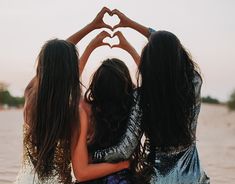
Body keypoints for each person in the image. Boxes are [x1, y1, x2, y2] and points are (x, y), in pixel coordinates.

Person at [92, 9, 210, 184]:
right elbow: (167, 47)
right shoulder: (194, 83)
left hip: (158, 179)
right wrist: (131, 24)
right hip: (193, 177)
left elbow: (125, 149)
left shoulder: (143, 96)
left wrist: (94, 154)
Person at [15, 8, 129, 184]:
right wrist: (122, 165)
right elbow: (82, 171)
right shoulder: (74, 115)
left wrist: (90, 28)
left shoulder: (30, 98)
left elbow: (55, 65)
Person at [75, 30, 140, 184]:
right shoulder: (134, 107)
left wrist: (91, 45)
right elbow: (152, 77)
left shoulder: (84, 109)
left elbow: (69, 81)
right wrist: (128, 48)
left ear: (96, 84)